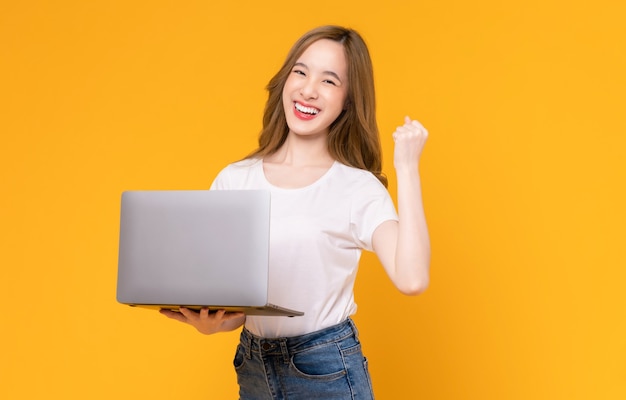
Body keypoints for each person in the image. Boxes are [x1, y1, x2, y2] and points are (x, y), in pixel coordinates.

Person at [161, 25, 430, 399]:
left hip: (327, 369)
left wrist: (408, 168)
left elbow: (412, 278)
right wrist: (214, 324)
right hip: (254, 367)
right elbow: (238, 303)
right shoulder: (235, 179)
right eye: (301, 72)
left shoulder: (356, 188)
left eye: (329, 81)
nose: (308, 89)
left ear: (348, 101)